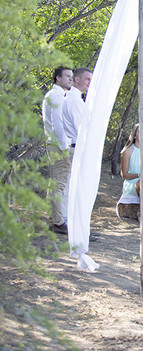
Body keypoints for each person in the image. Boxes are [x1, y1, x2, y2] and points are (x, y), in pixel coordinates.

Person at [42, 66, 74, 234]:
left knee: (56, 182)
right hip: (58, 145)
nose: (71, 79)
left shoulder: (59, 95)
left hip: (55, 144)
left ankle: (56, 217)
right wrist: (64, 147)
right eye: (67, 76)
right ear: (57, 78)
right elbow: (57, 125)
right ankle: (59, 222)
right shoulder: (55, 96)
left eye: (72, 76)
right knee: (59, 184)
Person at [62, 67, 92, 148]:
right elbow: (81, 129)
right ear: (77, 79)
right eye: (87, 79)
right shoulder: (75, 100)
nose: (90, 82)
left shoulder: (75, 97)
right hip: (76, 148)